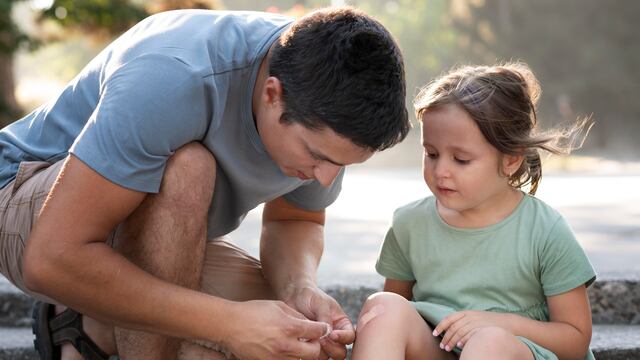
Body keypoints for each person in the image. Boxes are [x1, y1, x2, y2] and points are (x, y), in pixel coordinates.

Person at [0, 6, 409, 360]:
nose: (326, 178)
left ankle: (88, 325)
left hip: (149, 237)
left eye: (341, 165)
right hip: (32, 201)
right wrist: (227, 324)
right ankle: (96, 315)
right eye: (318, 156)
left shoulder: (324, 95)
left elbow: (294, 219)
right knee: (189, 167)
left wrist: (299, 287)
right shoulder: (175, 78)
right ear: (272, 94)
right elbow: (51, 259)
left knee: (297, 342)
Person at [350, 63, 595, 360]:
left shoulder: (545, 230)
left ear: (510, 160)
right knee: (383, 307)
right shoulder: (409, 224)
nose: (441, 171)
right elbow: (399, 316)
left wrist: (502, 324)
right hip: (439, 346)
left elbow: (576, 339)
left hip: (509, 350)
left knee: (489, 343)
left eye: (461, 159)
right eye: (431, 154)